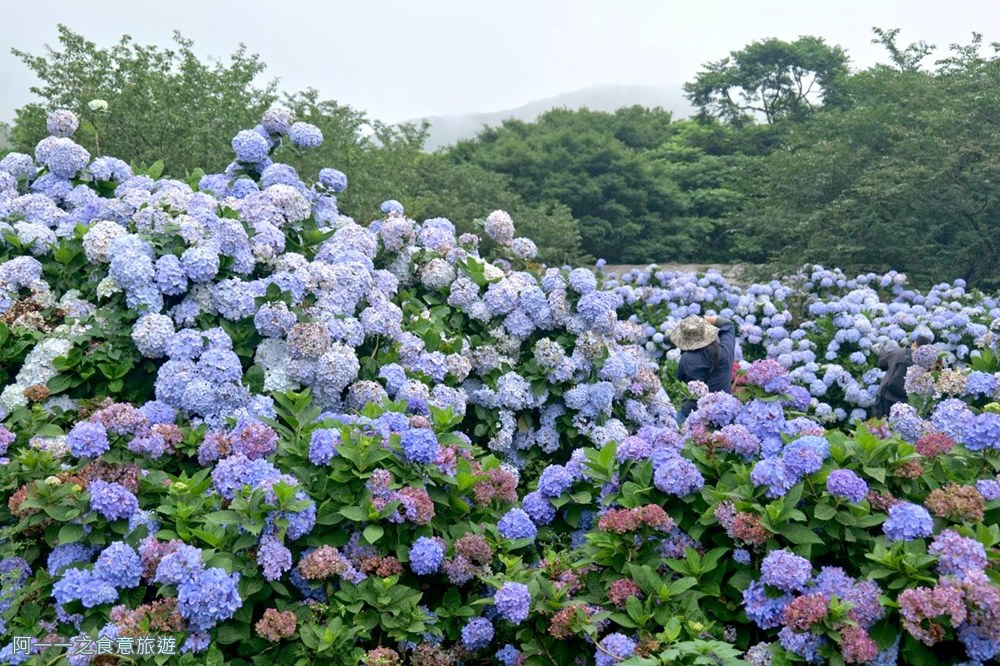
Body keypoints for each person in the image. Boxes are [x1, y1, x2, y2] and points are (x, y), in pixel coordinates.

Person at [671, 314, 738, 422]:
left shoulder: (687, 359)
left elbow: (681, 379)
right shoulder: (725, 351)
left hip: (694, 414)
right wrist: (701, 318)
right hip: (724, 412)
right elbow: (728, 324)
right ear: (707, 332)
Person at [871, 335, 933, 418]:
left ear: (914, 343)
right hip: (903, 402)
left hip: (885, 395)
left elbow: (882, 363)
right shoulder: (925, 364)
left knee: (878, 426)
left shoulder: (898, 352)